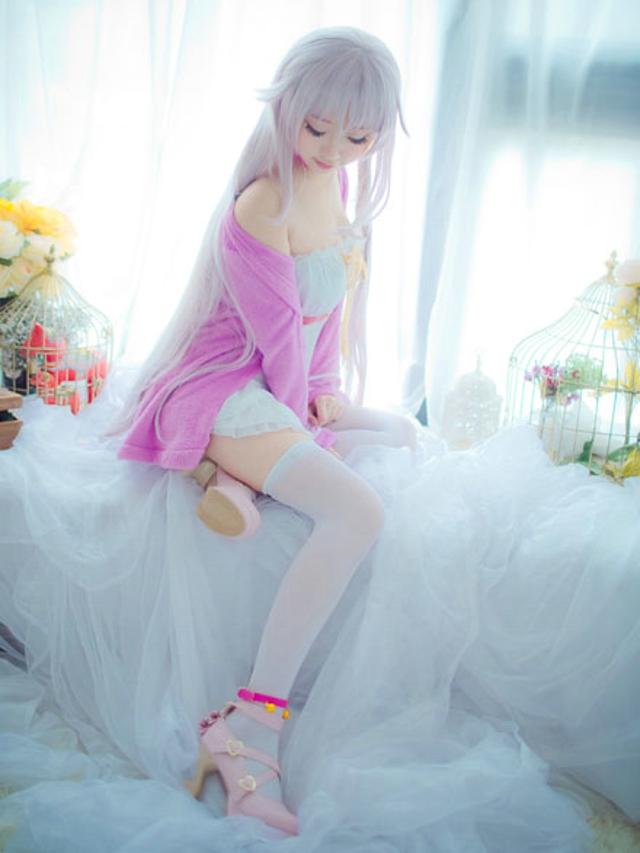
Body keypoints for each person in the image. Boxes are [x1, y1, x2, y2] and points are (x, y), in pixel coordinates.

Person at [115, 26, 415, 836]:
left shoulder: (336, 185)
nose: (334, 149)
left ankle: (230, 480)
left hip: (281, 386)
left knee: (402, 436)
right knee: (358, 509)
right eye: (316, 127)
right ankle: (253, 722)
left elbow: (326, 311)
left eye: (358, 137)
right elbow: (276, 339)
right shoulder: (261, 203)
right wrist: (302, 429)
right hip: (227, 383)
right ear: (284, 107)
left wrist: (327, 394)